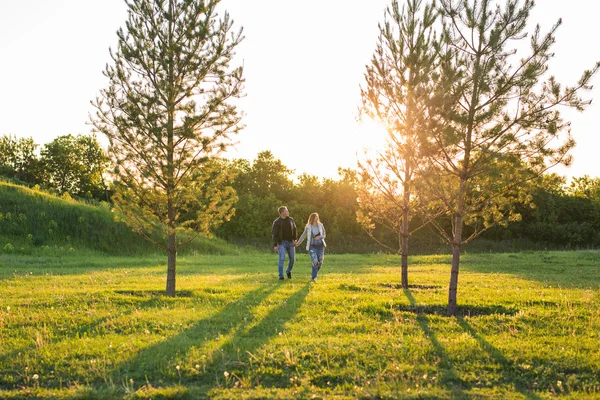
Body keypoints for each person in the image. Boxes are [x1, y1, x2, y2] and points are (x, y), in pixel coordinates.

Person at [295, 212, 326, 282]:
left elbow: (324, 235)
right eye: (315, 217)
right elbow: (303, 235)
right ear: (312, 218)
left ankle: (314, 274)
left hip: (321, 247)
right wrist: (298, 243)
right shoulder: (308, 227)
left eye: (317, 217)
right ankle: (314, 277)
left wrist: (319, 237)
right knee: (315, 261)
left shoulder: (321, 225)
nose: (317, 218)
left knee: (320, 263)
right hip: (312, 247)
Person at [272, 206, 297, 280]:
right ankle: (281, 276)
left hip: (290, 242)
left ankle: (288, 271)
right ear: (281, 213)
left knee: (292, 259)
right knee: (282, 258)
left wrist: (295, 239)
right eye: (286, 211)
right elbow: (274, 234)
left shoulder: (291, 220)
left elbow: (295, 230)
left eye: (287, 211)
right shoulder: (277, 222)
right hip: (281, 243)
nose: (287, 212)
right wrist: (275, 245)